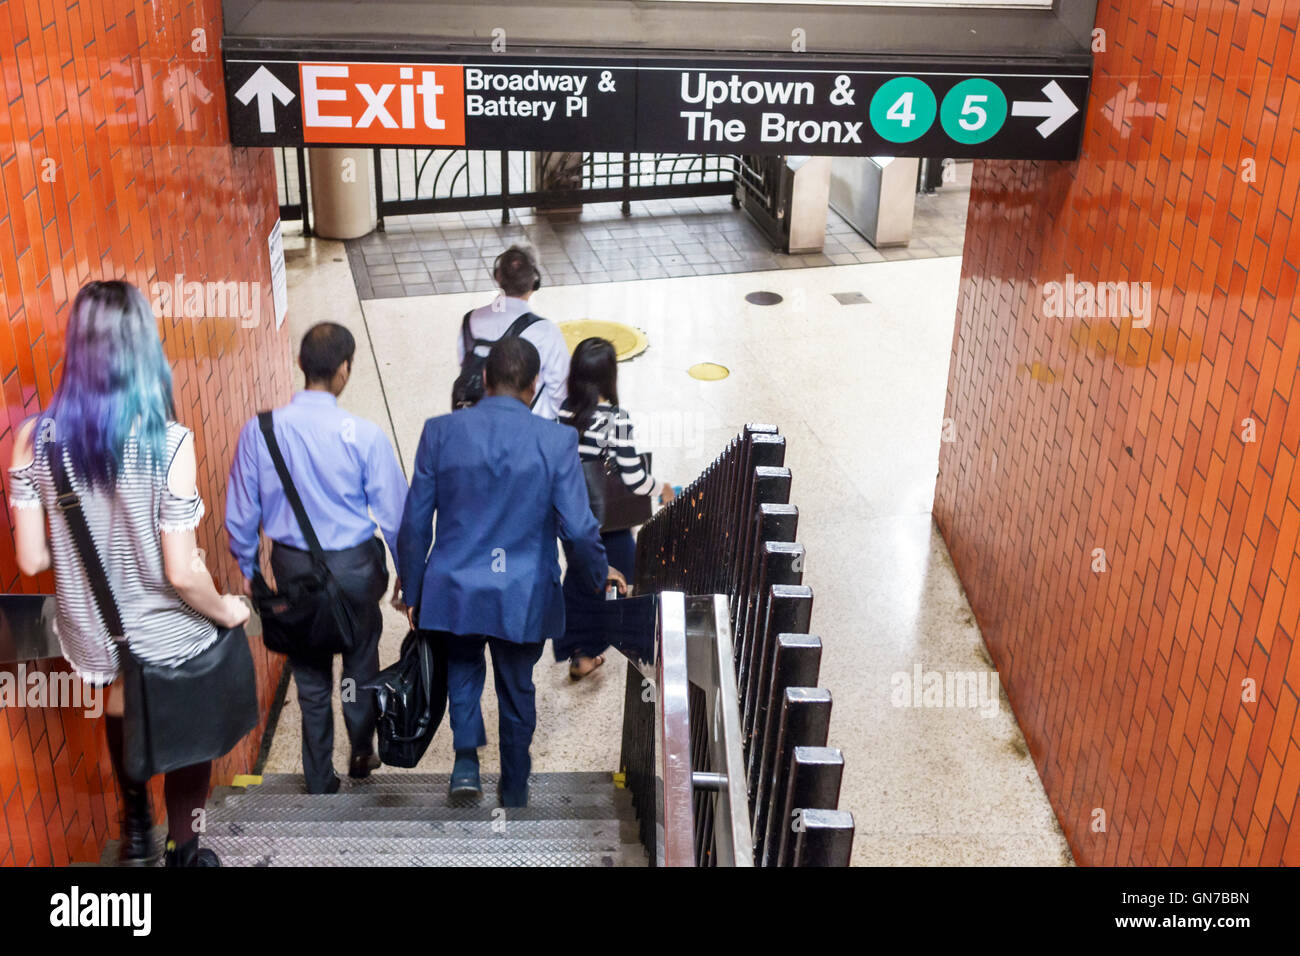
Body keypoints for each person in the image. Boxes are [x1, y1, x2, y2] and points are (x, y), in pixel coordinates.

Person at [8, 280, 250, 867]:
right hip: (165, 631)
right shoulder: (170, 444)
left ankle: (136, 824)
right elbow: (182, 572)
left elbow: (33, 560)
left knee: (123, 686)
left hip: (95, 633)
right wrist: (229, 610)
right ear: (145, 350)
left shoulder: (32, 439)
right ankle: (184, 849)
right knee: (196, 705)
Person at [397, 337, 626, 807]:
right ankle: (515, 783)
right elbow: (580, 531)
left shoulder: (439, 432)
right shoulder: (556, 441)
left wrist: (413, 589)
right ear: (535, 384)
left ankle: (465, 764)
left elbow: (415, 522)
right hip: (523, 590)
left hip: (455, 587)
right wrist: (594, 575)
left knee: (462, 669)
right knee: (517, 685)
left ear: (484, 380)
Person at [226, 322, 408, 795]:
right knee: (360, 662)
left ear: (301, 365)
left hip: (294, 571)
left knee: (309, 676)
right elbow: (395, 516)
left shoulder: (260, 431)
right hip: (354, 571)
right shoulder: (364, 436)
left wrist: (248, 569)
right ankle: (362, 748)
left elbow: (242, 513)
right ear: (344, 369)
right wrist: (409, 578)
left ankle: (319, 780)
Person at [555, 337, 675, 679]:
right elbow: (634, 477)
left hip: (573, 516)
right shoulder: (615, 419)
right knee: (629, 576)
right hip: (609, 521)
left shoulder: (564, 412)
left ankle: (580, 651)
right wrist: (662, 489)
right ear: (610, 376)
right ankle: (635, 644)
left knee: (582, 576)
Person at [457, 244, 570, 419]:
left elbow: (466, 368)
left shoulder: (470, 321)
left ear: (497, 276)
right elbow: (559, 393)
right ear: (535, 281)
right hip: (527, 428)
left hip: (476, 423)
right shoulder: (546, 332)